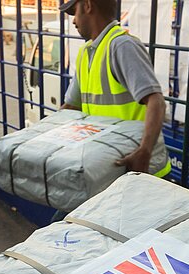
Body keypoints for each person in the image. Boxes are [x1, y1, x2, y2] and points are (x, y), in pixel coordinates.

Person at [51, 0, 171, 221]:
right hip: (106, 170)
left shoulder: (121, 46)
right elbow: (70, 107)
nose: (74, 21)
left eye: (74, 13)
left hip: (137, 170)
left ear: (87, 5)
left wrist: (144, 152)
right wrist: (46, 137)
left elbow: (156, 101)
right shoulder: (88, 51)